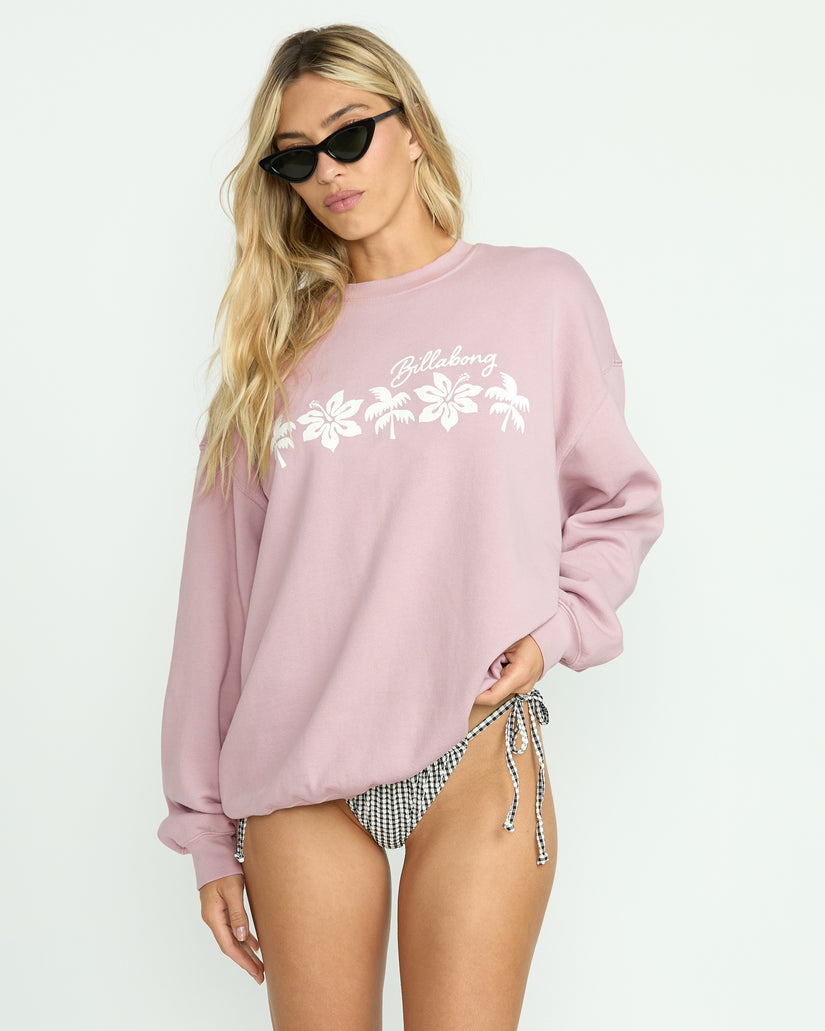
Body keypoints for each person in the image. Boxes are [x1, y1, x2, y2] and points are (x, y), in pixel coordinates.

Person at [156, 22, 665, 1031]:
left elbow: (618, 499)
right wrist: (204, 828)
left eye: (349, 136)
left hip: (474, 741)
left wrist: (556, 630)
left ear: (413, 129)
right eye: (296, 158)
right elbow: (216, 603)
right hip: (298, 765)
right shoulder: (272, 354)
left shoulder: (538, 294)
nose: (328, 172)